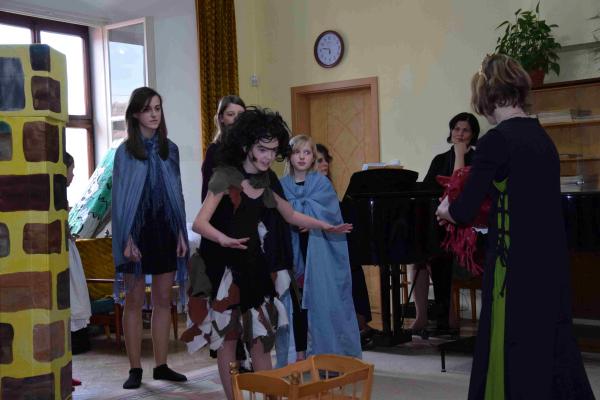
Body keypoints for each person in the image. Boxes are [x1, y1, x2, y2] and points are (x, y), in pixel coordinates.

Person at [436, 54, 594, 399]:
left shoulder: (496, 140)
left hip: (513, 266)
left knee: (512, 346)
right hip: (549, 261)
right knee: (549, 344)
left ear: (486, 96)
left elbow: (464, 210)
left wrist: (446, 209)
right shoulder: (542, 138)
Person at [192, 108, 352, 400]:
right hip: (224, 269)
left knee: (261, 339)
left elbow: (290, 215)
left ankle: (269, 397)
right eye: (262, 150)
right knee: (228, 340)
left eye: (273, 151)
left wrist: (326, 225)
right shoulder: (225, 175)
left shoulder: (267, 180)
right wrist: (223, 239)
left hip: (256, 265)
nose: (268, 157)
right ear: (246, 145)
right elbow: (199, 223)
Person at [112, 87, 189, 389]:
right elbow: (121, 200)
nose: (154, 114)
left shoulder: (171, 150)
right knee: (133, 301)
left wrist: (181, 231)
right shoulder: (125, 153)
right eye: (147, 109)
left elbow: (177, 195)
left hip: (166, 229)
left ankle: (161, 365)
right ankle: (135, 369)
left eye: (157, 108)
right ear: (135, 114)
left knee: (162, 300)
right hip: (136, 232)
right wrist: (126, 239)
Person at [280, 136, 361, 362]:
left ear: (313, 157)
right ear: (289, 156)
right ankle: (300, 354)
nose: (302, 157)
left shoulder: (322, 184)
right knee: (297, 303)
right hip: (293, 250)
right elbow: (279, 216)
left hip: (318, 250)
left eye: (307, 153)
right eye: (297, 152)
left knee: (321, 302)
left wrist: (312, 221)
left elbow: (331, 214)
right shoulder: (282, 185)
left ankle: (327, 352)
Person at [411, 112, 481, 334]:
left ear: (473, 135)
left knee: (440, 257)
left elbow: (457, 191)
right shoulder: (440, 160)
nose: (459, 134)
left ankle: (447, 318)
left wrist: (460, 155)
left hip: (466, 229)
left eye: (465, 130)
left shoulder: (478, 159)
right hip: (439, 226)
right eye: (456, 129)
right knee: (418, 259)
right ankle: (421, 317)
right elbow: (427, 192)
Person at [315, 142, 376, 348]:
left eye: (326, 160)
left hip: (333, 241)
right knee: (349, 265)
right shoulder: (308, 188)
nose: (325, 164)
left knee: (354, 264)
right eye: (319, 161)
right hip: (319, 246)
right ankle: (353, 326)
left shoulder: (326, 186)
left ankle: (359, 323)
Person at [202, 95, 246, 201]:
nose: (236, 119)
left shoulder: (251, 148)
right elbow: (207, 192)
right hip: (223, 208)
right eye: (231, 114)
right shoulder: (214, 150)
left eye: (241, 115)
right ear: (221, 118)